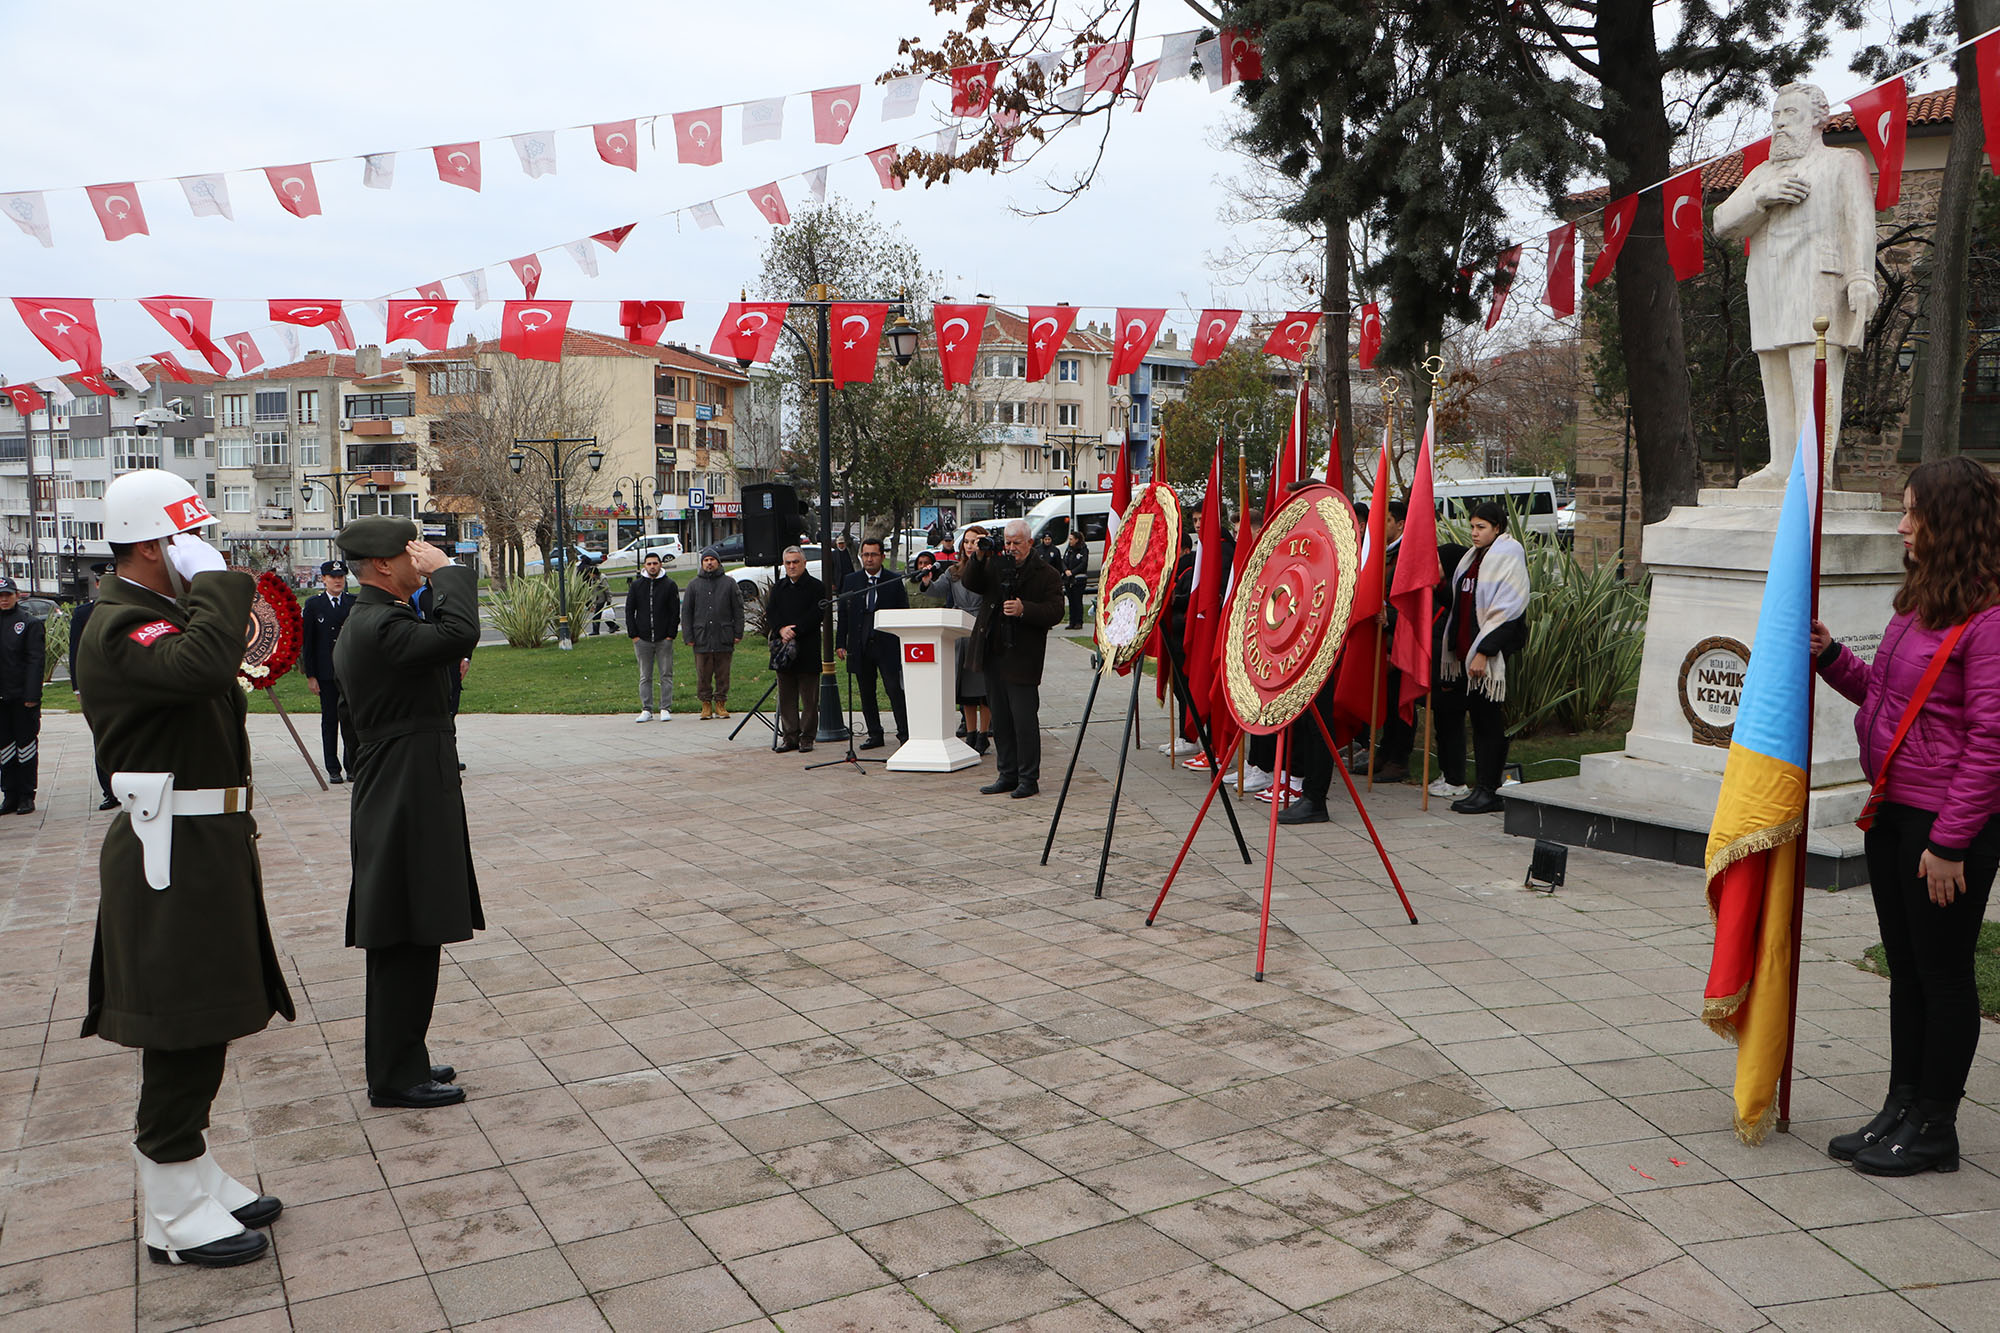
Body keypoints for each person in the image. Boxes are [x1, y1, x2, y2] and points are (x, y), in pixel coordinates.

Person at [79, 469, 294, 1268]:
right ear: (148, 544)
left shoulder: (160, 616)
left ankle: (194, 1168)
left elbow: (220, 667)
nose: (204, 551)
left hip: (202, 840)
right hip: (166, 849)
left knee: (207, 1010)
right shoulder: (121, 625)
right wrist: (222, 585)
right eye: (185, 538)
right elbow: (202, 668)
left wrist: (212, 592)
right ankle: (169, 1208)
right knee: (181, 1020)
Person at [1811, 456, 2000, 1176]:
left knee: (1944, 973)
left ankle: (1935, 1127)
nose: (1902, 524)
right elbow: (1895, 702)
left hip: (1946, 826)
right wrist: (1832, 660)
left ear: (1949, 522)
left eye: (1913, 511)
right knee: (1908, 972)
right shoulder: (1920, 601)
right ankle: (1901, 1104)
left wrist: (1950, 843)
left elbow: (1991, 740)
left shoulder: (1990, 619)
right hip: (1895, 807)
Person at [334, 516, 482, 1111]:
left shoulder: (377, 619)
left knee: (414, 926)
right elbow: (458, 633)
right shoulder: (379, 622)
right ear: (383, 565)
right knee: (402, 928)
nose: (419, 557)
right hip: (401, 785)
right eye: (410, 551)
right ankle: (394, 1075)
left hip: (406, 779)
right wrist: (448, 572)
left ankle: (403, 1056)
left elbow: (443, 645)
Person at [1711, 82, 1878, 488]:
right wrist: (1761, 197)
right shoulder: (1762, 173)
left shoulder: (1842, 162)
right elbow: (1721, 222)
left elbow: (1860, 223)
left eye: (1792, 114)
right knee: (1774, 375)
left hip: (1819, 283)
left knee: (1814, 374)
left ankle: (1811, 469)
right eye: (1776, 115)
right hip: (1768, 285)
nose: (1781, 123)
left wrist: (1861, 277)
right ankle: (1783, 464)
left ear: (1819, 118)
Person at [1435, 503, 1529, 814]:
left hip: (1487, 656)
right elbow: (1463, 603)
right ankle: (1482, 788)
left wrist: (1485, 652)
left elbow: (1509, 613)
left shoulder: (1507, 556)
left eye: (1481, 527)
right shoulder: (1471, 559)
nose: (1474, 533)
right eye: (1473, 527)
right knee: (1479, 722)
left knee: (1489, 724)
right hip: (1466, 654)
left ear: (1498, 528)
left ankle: (1489, 790)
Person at [960, 519, 1064, 797]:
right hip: (993, 652)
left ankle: (1028, 779)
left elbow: (1055, 611)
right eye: (1007, 542)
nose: (1011, 548)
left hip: (1023, 656)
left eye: (1017, 542)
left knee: (1024, 721)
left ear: (1030, 542)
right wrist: (979, 557)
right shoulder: (996, 564)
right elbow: (971, 583)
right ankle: (1007, 774)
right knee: (1002, 720)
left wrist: (1023, 609)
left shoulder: (1047, 573)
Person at [838, 537, 910, 749]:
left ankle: (905, 734)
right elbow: (843, 614)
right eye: (865, 555)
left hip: (887, 643)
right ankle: (874, 734)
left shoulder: (893, 580)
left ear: (882, 556)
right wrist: (841, 642)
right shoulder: (852, 580)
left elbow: (903, 611)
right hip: (861, 643)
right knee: (866, 691)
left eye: (873, 555)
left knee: (894, 689)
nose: (869, 559)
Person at [930, 529, 990, 753]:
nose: (970, 545)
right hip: (959, 629)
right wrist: (927, 581)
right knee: (965, 688)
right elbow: (937, 591)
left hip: (982, 626)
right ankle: (971, 733)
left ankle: (984, 734)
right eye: (966, 542)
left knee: (982, 686)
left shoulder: (989, 568)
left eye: (975, 542)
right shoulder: (954, 570)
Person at [300, 560, 358, 784]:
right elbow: (309, 643)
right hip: (325, 673)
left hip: (349, 672)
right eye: (333, 577)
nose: (337, 581)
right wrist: (311, 675)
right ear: (323, 579)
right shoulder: (314, 605)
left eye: (341, 577)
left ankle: (351, 765)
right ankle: (332, 767)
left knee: (350, 721)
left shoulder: (354, 603)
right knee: (330, 720)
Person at [67, 562, 119, 810]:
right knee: (103, 739)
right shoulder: (83, 614)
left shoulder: (132, 608)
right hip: (97, 688)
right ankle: (109, 791)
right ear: (97, 584)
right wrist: (78, 688)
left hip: (127, 686)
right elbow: (75, 650)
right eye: (103, 581)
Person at [764, 546, 824, 753]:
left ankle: (807, 737)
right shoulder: (779, 587)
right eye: (788, 563)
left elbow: (817, 614)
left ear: (804, 563)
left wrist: (795, 630)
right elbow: (771, 612)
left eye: (795, 562)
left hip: (807, 648)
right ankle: (790, 737)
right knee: (786, 697)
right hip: (784, 652)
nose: (792, 566)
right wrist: (781, 629)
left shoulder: (817, 587)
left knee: (809, 699)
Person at [0, 575, 45, 814]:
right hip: (1, 700)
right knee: (4, 748)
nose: (4, 600)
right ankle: (10, 794)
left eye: (8, 595)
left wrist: (32, 695)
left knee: (25, 746)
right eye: (0, 596)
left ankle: (27, 795)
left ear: (17, 596)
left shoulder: (29, 623)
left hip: (22, 698)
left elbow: (35, 661)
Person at [682, 547, 744, 720]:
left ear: (718, 562)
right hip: (701, 638)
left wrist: (738, 632)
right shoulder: (694, 585)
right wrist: (688, 636)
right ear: (702, 564)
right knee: (703, 673)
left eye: (712, 560)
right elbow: (686, 612)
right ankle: (706, 704)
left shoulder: (729, 583)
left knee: (723, 672)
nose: (709, 563)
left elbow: (738, 610)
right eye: (706, 560)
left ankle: (721, 703)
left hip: (724, 636)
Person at [626, 552, 680, 722]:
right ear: (644, 566)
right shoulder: (636, 586)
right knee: (645, 676)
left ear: (660, 565)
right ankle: (646, 709)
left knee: (666, 674)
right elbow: (629, 611)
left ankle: (665, 707)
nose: (652, 566)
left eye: (655, 563)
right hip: (642, 639)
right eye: (649, 564)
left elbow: (674, 612)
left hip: (664, 638)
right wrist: (633, 634)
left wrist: (671, 634)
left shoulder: (669, 585)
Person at [1063, 530, 1090, 630]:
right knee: (1071, 601)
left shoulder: (1083, 549)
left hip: (1079, 579)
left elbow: (1083, 563)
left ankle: (1079, 621)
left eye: (1071, 539)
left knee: (1077, 600)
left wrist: (1073, 572)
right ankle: (1072, 621)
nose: (1069, 541)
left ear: (1077, 540)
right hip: (1068, 579)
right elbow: (1064, 561)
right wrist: (1065, 570)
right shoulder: (1069, 549)